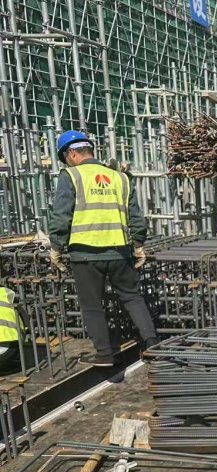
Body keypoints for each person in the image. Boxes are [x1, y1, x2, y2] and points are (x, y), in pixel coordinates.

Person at [47, 130, 158, 367]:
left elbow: (62, 215)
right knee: (133, 298)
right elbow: (136, 216)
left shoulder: (71, 176)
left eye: (65, 157)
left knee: (92, 306)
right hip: (120, 251)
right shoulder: (120, 177)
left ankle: (105, 355)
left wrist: (56, 246)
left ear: (72, 153)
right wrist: (138, 244)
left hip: (85, 255)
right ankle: (152, 344)